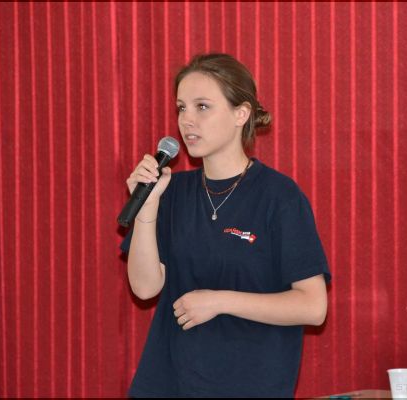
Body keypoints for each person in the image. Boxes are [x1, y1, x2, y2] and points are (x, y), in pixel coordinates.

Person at [120, 53, 331, 398]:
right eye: (181, 108)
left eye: (202, 107)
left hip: (250, 384)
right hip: (169, 383)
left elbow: (313, 306)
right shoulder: (171, 191)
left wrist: (220, 301)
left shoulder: (279, 196)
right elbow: (144, 288)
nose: (187, 120)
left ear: (240, 114)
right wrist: (149, 205)